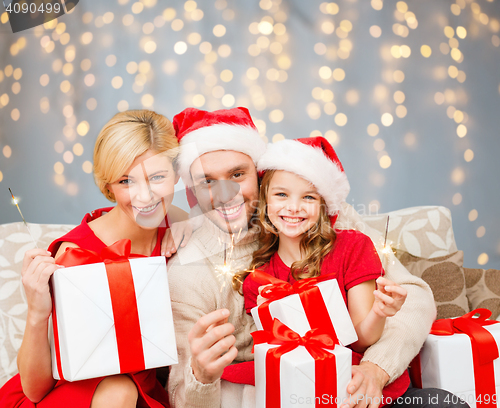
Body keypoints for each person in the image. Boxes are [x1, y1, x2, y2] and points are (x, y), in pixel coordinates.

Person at [166, 107, 465, 408]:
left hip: (360, 385)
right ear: (192, 189)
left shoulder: (321, 218)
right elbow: (180, 394)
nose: (225, 193)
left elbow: (414, 297)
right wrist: (201, 376)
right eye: (207, 181)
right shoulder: (187, 271)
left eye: (237, 174)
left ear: (260, 175)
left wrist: (377, 368)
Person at [0, 110, 190, 408]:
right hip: (70, 397)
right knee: (119, 389)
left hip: (143, 393)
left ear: (177, 173)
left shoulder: (175, 223)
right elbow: (35, 390)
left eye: (157, 177)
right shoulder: (76, 254)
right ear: (109, 186)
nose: (145, 196)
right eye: (127, 181)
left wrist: (186, 223)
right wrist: (37, 313)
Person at [240, 136, 410, 402]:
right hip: (303, 393)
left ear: (322, 205)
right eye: (281, 194)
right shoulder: (258, 281)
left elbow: (362, 339)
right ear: (264, 201)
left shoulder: (353, 247)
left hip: (357, 384)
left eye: (308, 196)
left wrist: (379, 312)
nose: (293, 207)